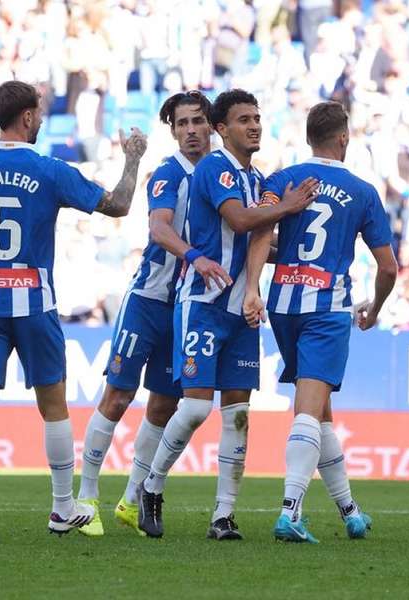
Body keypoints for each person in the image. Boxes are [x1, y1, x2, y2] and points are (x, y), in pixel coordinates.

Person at [0, 80, 148, 544]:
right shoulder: (50, 170)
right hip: (34, 302)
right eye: (41, 112)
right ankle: (62, 508)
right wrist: (132, 157)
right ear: (27, 117)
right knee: (53, 406)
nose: (43, 118)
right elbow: (119, 205)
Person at [138, 89, 319, 541]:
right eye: (243, 119)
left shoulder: (258, 180)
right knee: (197, 406)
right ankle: (151, 485)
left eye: (257, 117)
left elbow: (260, 235)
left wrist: (285, 269)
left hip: (240, 311)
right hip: (201, 303)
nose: (254, 125)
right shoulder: (216, 168)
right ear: (222, 129)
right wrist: (290, 206)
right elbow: (240, 221)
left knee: (238, 413)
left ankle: (223, 515)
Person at [76, 91, 231, 537]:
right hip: (149, 299)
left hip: (188, 306)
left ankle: (131, 498)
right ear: (173, 130)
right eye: (181, 124)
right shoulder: (168, 173)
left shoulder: (225, 174)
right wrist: (195, 256)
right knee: (119, 395)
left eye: (197, 122)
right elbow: (159, 228)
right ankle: (86, 496)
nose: (190, 131)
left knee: (165, 404)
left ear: (212, 126)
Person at [242, 101, 397, 543]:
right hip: (327, 307)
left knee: (321, 409)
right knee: (309, 409)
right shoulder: (363, 192)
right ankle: (290, 510)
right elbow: (388, 268)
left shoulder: (281, 179)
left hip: (284, 304)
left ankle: (349, 510)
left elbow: (259, 230)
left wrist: (254, 285)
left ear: (309, 136)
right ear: (343, 138)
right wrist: (376, 307)